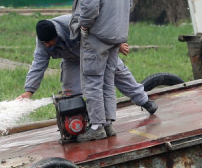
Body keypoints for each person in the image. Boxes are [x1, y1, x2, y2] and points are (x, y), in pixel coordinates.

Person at [17, 15, 158, 133]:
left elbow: (101, 27)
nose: (47, 45)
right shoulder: (43, 41)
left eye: (49, 42)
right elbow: (38, 64)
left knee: (119, 73)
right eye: (44, 43)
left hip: (95, 51)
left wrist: (117, 43)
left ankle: (145, 101)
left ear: (57, 34)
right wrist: (28, 91)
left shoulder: (73, 23)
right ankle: (81, 126)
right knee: (70, 92)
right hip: (72, 59)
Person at [69, 0, 138, 142]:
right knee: (107, 81)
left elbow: (89, 7)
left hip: (97, 37)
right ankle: (108, 124)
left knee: (91, 81)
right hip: (115, 36)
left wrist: (85, 26)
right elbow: (129, 2)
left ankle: (97, 126)